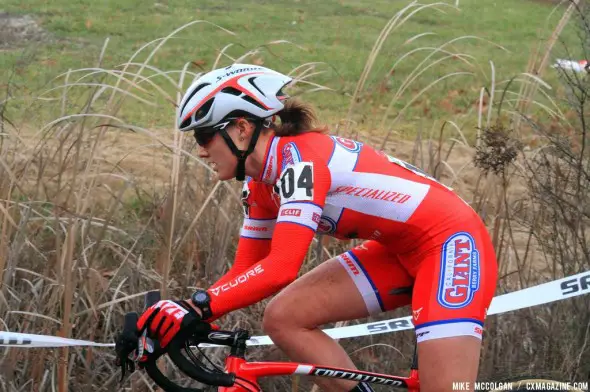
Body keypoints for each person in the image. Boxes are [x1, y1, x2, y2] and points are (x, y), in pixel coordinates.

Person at [133, 64, 498, 392]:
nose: (200, 151)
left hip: (452, 244)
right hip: (398, 251)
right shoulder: (261, 183)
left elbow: (280, 268)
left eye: (203, 137)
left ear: (242, 129)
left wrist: (196, 309)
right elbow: (246, 269)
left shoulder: (300, 165)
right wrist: (187, 311)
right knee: (284, 317)